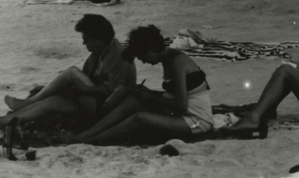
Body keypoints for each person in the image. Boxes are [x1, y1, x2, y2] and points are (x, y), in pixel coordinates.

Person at [0, 14, 137, 133]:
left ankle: (28, 103)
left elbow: (112, 93)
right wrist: (59, 90)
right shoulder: (100, 52)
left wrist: (80, 90)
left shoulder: (116, 55)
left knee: (71, 72)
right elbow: (88, 81)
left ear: (99, 39)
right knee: (50, 101)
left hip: (106, 111)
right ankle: (1, 122)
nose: (84, 43)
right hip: (94, 105)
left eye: (87, 39)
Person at [62, 25, 213, 145]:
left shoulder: (176, 62)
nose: (143, 61)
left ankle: (89, 140)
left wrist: (150, 97)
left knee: (140, 118)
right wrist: (148, 93)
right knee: (133, 100)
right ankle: (87, 134)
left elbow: (181, 105)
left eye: (142, 56)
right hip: (184, 113)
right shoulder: (168, 59)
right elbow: (175, 96)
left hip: (197, 121)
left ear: (151, 49)